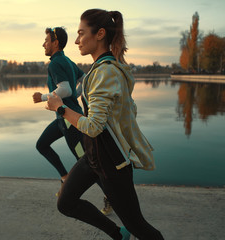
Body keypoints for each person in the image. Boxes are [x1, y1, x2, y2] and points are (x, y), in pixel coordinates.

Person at [45, 9, 164, 240]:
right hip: (92, 156)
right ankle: (118, 234)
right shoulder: (100, 69)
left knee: (139, 227)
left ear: (99, 34)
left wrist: (60, 108)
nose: (77, 40)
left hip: (112, 165)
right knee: (65, 203)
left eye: (81, 33)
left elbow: (94, 126)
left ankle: (127, 232)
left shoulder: (107, 72)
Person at [33, 27, 113, 215]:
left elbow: (66, 89)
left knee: (87, 163)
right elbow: (83, 80)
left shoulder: (55, 64)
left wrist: (44, 97)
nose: (43, 44)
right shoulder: (67, 61)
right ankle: (64, 176)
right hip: (63, 120)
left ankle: (111, 196)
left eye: (46, 40)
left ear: (55, 43)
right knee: (42, 144)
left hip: (70, 124)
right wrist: (76, 98)